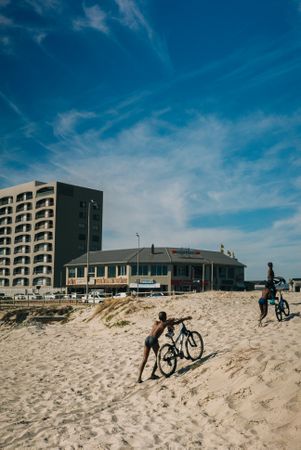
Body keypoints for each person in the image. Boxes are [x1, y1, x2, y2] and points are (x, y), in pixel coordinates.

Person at [137, 311, 192, 383]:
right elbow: (177, 322)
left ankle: (139, 378)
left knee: (144, 359)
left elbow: (166, 322)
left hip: (147, 339)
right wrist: (186, 318)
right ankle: (152, 374)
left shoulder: (156, 322)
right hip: (153, 340)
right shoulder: (165, 323)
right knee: (158, 358)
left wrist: (170, 320)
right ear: (165, 317)